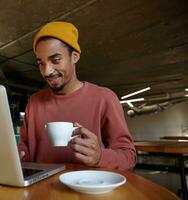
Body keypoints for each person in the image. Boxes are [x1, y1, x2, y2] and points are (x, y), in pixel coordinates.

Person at [18, 21, 136, 170]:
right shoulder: (34, 102)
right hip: (40, 189)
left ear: (74, 57)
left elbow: (129, 156)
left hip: (88, 189)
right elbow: (24, 147)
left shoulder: (105, 98)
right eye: (41, 63)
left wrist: (100, 157)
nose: (47, 71)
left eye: (55, 60)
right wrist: (17, 154)